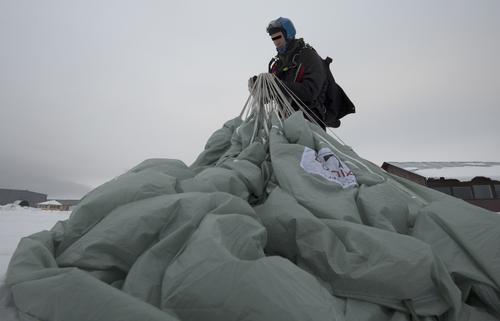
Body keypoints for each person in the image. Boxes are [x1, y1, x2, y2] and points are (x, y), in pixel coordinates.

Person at [250, 17, 328, 129]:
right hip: (285, 122)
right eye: (273, 38)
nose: (276, 42)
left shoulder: (308, 56)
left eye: (278, 37)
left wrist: (278, 84)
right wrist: (259, 87)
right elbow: (270, 97)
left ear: (288, 35)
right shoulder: (277, 65)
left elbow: (310, 92)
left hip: (309, 121)